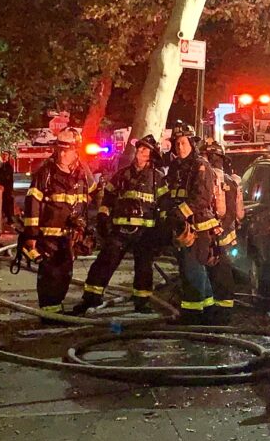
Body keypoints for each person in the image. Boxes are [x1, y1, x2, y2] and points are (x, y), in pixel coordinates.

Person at [77, 135, 167, 314]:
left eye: (145, 149)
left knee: (143, 267)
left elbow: (164, 204)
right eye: (139, 148)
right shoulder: (122, 174)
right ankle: (91, 298)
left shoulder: (157, 178)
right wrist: (103, 215)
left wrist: (162, 230)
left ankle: (142, 301)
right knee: (104, 263)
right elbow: (108, 197)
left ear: (151, 155)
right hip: (120, 229)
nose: (140, 151)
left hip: (145, 232)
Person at [23, 130, 97, 313]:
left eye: (67, 151)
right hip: (48, 235)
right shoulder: (45, 173)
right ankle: (49, 311)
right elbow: (32, 203)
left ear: (76, 151)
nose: (62, 154)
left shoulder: (82, 172)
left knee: (65, 272)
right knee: (50, 273)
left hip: (70, 236)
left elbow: (93, 192)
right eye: (60, 150)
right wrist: (31, 235)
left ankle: (55, 308)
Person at [165, 123, 222, 324]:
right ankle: (208, 310)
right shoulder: (175, 167)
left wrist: (179, 213)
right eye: (176, 144)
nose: (179, 147)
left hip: (198, 227)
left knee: (192, 269)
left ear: (191, 143)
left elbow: (202, 199)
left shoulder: (201, 166)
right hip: (181, 225)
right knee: (192, 269)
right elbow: (168, 193)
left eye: (183, 143)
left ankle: (193, 314)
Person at [204, 139, 241, 322]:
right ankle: (224, 310)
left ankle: (221, 313)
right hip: (227, 236)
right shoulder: (230, 182)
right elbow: (234, 212)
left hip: (215, 235)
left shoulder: (209, 180)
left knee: (218, 274)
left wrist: (216, 232)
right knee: (223, 273)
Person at [0, 151, 16, 233]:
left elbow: (8, 179)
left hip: (7, 190)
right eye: (3, 154)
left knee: (8, 205)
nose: (4, 156)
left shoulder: (9, 167)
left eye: (6, 155)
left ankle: (9, 221)